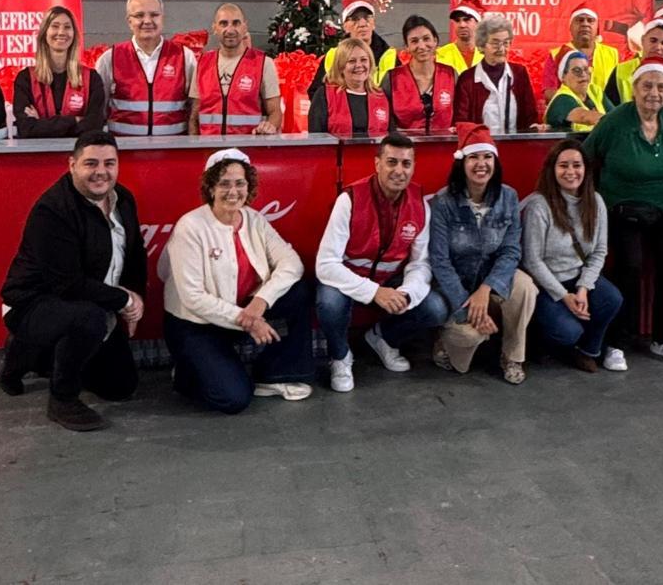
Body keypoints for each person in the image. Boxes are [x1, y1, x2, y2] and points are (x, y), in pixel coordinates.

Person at [0, 131, 146, 431]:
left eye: (109, 163)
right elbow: (68, 285)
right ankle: (62, 399)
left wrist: (136, 297)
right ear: (72, 165)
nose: (101, 172)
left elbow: (135, 257)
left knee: (120, 387)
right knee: (87, 319)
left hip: (92, 303)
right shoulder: (52, 210)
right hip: (30, 303)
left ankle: (36, 356)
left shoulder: (124, 200)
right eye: (90, 163)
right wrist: (124, 301)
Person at [158, 149, 316, 413]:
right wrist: (249, 319)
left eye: (240, 183)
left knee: (298, 292)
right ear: (210, 187)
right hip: (195, 324)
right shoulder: (191, 227)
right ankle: (188, 371)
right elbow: (193, 297)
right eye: (224, 183)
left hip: (242, 310)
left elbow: (292, 263)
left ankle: (276, 374)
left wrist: (260, 302)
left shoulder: (254, 220)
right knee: (233, 399)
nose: (233, 191)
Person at [314, 132, 448, 393]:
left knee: (436, 308)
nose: (399, 171)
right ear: (377, 164)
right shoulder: (349, 199)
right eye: (392, 162)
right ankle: (340, 357)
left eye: (406, 164)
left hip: (391, 280)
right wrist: (374, 292)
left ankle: (384, 338)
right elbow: (326, 264)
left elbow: (420, 264)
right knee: (328, 301)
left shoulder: (421, 205)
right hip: (348, 280)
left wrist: (407, 293)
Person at [583, 56, 663, 368]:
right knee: (628, 267)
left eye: (661, 86)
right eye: (647, 86)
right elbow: (588, 155)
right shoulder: (615, 121)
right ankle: (617, 342)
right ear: (634, 89)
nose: (654, 93)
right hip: (621, 206)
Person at [428, 124, 536, 384]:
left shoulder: (508, 196)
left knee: (525, 286)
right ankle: (444, 341)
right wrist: (469, 309)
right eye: (474, 157)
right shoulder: (443, 203)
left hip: (490, 280)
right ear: (461, 163)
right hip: (456, 285)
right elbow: (440, 262)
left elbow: (511, 251)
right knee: (468, 339)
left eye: (487, 157)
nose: (481, 164)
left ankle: (513, 357)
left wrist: (486, 289)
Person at [521, 139, 622, 372]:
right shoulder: (539, 205)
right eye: (563, 165)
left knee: (612, 299)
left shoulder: (595, 201)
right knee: (567, 331)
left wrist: (584, 288)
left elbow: (599, 251)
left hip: (577, 276)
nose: (570, 172)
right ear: (552, 169)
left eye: (576, 165)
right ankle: (548, 342)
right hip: (546, 285)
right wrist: (564, 296)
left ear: (586, 169)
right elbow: (532, 260)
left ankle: (588, 350)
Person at [94, 0, 195, 137]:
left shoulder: (185, 57)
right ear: (129, 21)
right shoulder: (110, 58)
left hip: (173, 153)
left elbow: (194, 109)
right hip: (124, 153)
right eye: (139, 15)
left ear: (163, 18)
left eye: (154, 15)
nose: (147, 21)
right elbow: (98, 111)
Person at [14, 6, 108, 138]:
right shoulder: (25, 79)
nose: (61, 32)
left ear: (74, 34)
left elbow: (94, 125)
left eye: (67, 27)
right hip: (39, 155)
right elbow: (26, 129)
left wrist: (41, 124)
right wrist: (75, 120)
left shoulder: (91, 78)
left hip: (80, 154)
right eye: (55, 26)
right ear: (44, 33)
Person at [188, 3, 281, 136]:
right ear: (214, 28)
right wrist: (194, 151)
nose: (230, 30)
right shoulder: (202, 63)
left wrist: (269, 126)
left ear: (245, 27)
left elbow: (275, 112)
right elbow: (194, 117)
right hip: (209, 151)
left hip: (248, 151)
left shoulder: (264, 63)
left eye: (236, 23)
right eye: (223, 24)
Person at [452, 13, 540, 132]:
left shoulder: (520, 73)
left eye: (506, 43)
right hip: (480, 148)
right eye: (495, 43)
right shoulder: (467, 79)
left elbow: (531, 117)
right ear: (482, 45)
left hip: (515, 147)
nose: (502, 49)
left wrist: (536, 127)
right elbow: (462, 121)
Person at [385, 16, 458, 134]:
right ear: (406, 47)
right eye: (414, 41)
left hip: (443, 148)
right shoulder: (392, 78)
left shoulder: (451, 75)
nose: (422, 46)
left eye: (426, 39)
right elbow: (386, 122)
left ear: (435, 41)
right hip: (405, 149)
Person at [309, 38, 391, 137]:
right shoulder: (324, 95)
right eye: (352, 61)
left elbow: (391, 137)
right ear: (341, 66)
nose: (359, 65)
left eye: (364, 60)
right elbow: (316, 138)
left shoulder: (382, 96)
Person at [311, 0, 396, 91]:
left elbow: (399, 94)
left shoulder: (390, 56)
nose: (362, 24)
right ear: (345, 26)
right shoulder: (333, 56)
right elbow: (316, 93)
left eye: (367, 18)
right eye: (355, 19)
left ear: (373, 24)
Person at [540, 6, 620, 103]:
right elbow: (549, 92)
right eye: (580, 20)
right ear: (570, 27)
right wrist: (577, 105)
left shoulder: (612, 54)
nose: (585, 24)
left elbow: (618, 91)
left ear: (597, 27)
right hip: (571, 113)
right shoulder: (557, 54)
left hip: (605, 113)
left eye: (590, 20)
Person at [605, 17, 663, 107]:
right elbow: (609, 109)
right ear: (643, 40)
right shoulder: (621, 70)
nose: (658, 47)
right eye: (653, 40)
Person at [544, 49, 608, 132]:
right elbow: (584, 117)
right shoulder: (562, 99)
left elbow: (615, 113)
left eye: (586, 69)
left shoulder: (594, 91)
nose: (583, 74)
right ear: (563, 76)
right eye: (577, 71)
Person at [436, 0, 485, 75]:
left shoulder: (488, 54)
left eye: (467, 20)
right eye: (457, 21)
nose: (462, 25)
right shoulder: (440, 55)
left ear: (478, 23)